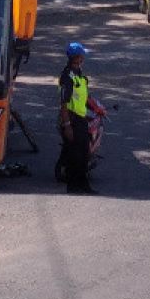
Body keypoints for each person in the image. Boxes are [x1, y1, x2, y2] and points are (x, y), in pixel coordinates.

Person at [58, 42, 97, 195]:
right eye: (82, 55)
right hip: (72, 120)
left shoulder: (79, 74)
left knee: (84, 153)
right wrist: (67, 125)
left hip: (81, 119)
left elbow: (82, 97)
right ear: (77, 58)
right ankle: (74, 187)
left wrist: (93, 108)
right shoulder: (67, 77)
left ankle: (83, 185)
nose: (84, 58)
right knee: (75, 155)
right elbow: (64, 103)